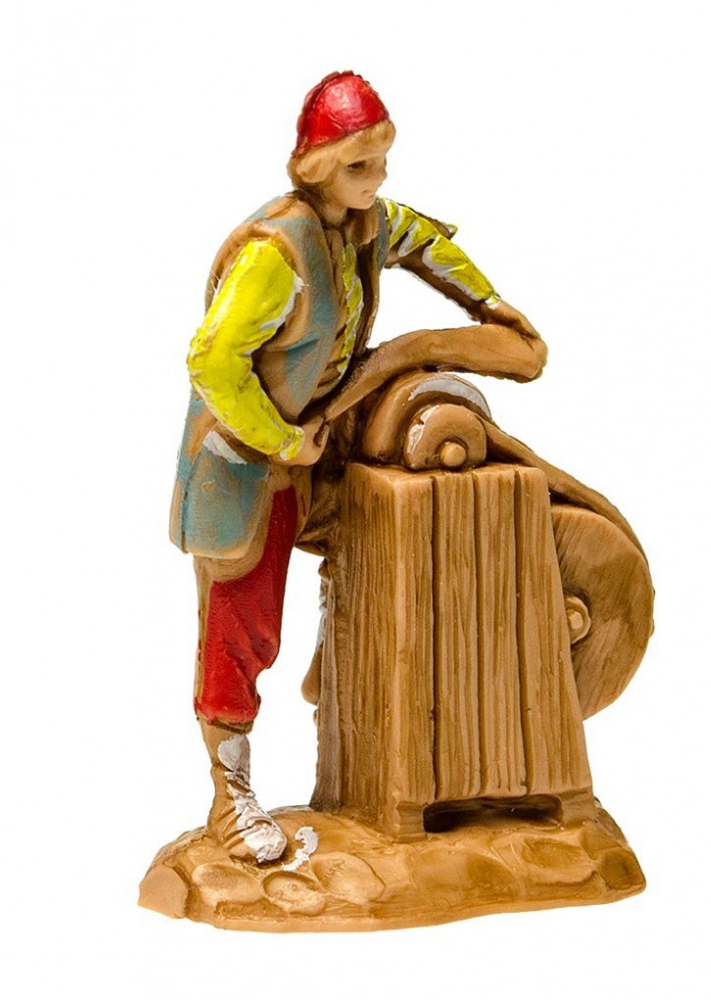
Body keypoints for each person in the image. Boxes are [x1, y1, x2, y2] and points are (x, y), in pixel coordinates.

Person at [169, 71, 542, 863]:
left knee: (385, 528)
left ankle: (329, 677)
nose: (377, 180)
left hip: (318, 445)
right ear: (317, 167)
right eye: (359, 166)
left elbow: (425, 241)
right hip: (249, 462)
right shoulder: (277, 255)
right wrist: (280, 439)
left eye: (381, 162)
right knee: (242, 627)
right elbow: (212, 360)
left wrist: (490, 306)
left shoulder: (362, 224)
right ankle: (231, 794)